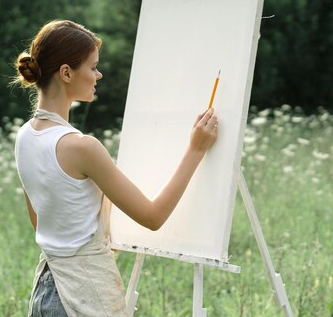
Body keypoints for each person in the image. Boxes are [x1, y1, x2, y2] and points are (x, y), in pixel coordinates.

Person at [12, 20, 218, 317]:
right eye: (93, 67)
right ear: (67, 73)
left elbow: (40, 221)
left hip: (46, 291)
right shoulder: (82, 147)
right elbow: (153, 217)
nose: (99, 74)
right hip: (80, 297)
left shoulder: (25, 137)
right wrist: (196, 149)